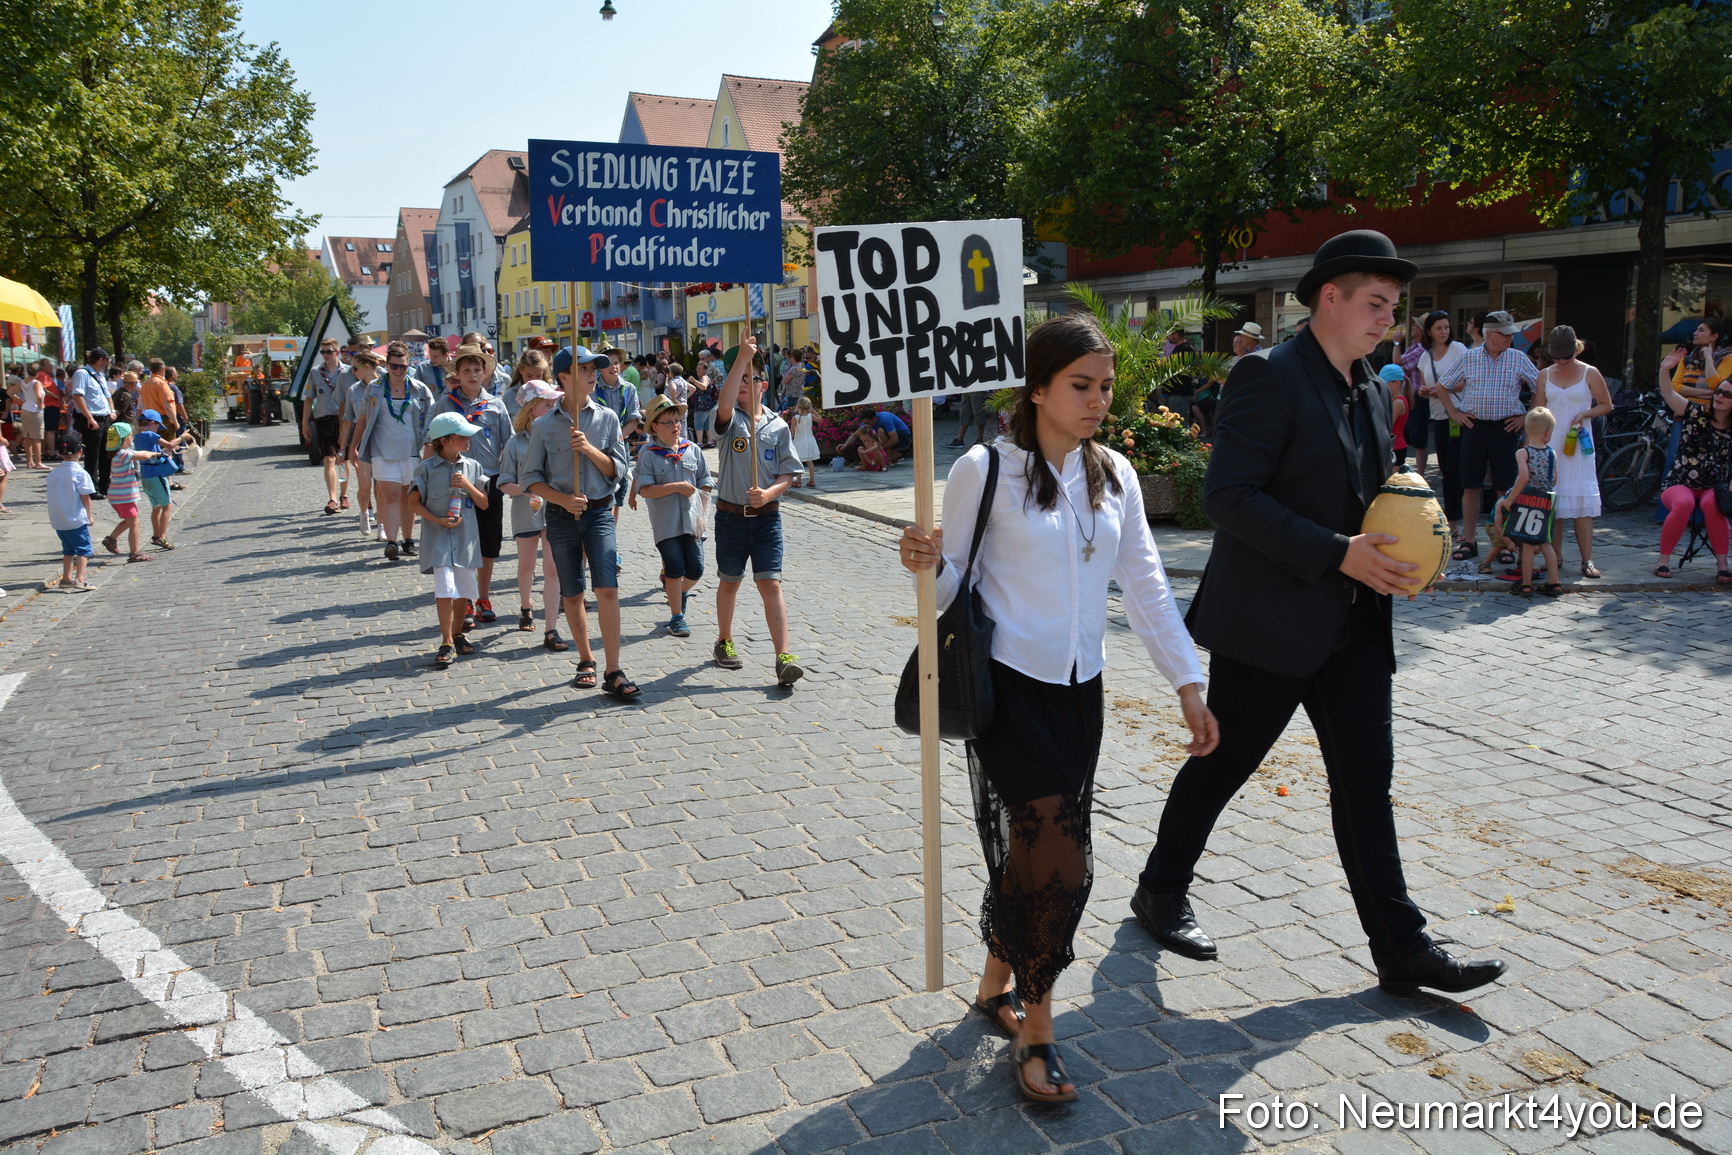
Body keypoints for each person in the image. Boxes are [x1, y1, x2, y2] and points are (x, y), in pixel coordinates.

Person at [1136, 229, 1508, 1000]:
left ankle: (1401, 946)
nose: (1389, 321)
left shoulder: (1373, 384)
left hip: (1357, 625)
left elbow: (1379, 490)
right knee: (1224, 764)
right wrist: (1340, 551)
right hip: (1271, 623)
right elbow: (1228, 498)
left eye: (1394, 309)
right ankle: (1159, 891)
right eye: (1376, 304)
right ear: (1328, 297)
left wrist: (1416, 548)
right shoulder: (1265, 375)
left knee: (1366, 781)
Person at [898, 314, 1216, 1104]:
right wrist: (923, 564)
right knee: (1061, 864)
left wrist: (1187, 683)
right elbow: (948, 592)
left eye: (1106, 386)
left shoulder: (1115, 474)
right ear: (1037, 388)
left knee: (1033, 856)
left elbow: (1144, 584)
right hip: (1008, 689)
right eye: (1081, 385)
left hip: (1083, 695)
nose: (1098, 400)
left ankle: (992, 986)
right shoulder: (985, 468)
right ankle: (1037, 1029)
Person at [521, 345, 638, 699]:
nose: (593, 374)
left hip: (600, 512)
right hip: (561, 516)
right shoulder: (543, 426)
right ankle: (586, 659)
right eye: (585, 369)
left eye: (594, 369)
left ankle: (613, 669)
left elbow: (618, 470)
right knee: (572, 593)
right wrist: (561, 499)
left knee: (607, 588)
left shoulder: (608, 418)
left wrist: (588, 449)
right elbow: (531, 478)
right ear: (564, 377)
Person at [710, 333, 806, 687]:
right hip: (731, 517)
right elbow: (724, 400)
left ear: (765, 384)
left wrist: (769, 493)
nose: (745, 384)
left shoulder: (778, 426)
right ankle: (725, 640)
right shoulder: (728, 419)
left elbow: (788, 472)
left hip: (766, 518)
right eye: (740, 379)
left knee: (771, 584)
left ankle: (783, 657)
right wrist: (740, 360)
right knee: (730, 583)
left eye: (753, 378)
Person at [1436, 309, 1537, 563]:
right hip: (1474, 427)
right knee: (1471, 486)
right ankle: (1469, 540)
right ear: (1490, 334)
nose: (1510, 339)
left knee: (1505, 487)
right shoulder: (1469, 358)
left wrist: (1526, 416)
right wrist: (1454, 413)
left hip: (1505, 429)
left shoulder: (1518, 358)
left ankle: (1505, 542)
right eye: (1505, 335)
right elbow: (1442, 385)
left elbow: (1540, 386)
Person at [432, 343, 514, 626]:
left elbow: (509, 444)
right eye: (466, 370)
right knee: (462, 542)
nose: (472, 375)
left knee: (489, 544)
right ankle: (464, 600)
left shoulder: (495, 404)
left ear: (485, 373)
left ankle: (483, 596)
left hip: (489, 480)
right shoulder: (444, 404)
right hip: (454, 480)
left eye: (477, 369)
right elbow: (431, 445)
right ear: (457, 372)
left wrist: (508, 477)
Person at [408, 412, 491, 667]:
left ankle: (457, 634)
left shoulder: (473, 466)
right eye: (462, 436)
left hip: (466, 539)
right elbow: (412, 503)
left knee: (463, 592)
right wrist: (438, 521)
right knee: (445, 588)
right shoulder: (425, 469)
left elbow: (484, 503)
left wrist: (467, 485)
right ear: (444, 441)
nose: (468, 440)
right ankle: (445, 640)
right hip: (439, 539)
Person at [1532, 326, 1612, 578]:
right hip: (1551, 441)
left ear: (1574, 351)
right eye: (1556, 356)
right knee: (1554, 503)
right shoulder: (1544, 374)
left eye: (1565, 356)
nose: (1560, 361)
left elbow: (1606, 405)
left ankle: (1587, 560)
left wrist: (1586, 413)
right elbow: (1537, 412)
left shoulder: (1590, 372)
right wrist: (1530, 445)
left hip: (1577, 443)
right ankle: (1554, 557)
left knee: (1580, 504)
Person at [634, 395, 712, 638]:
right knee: (675, 569)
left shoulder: (693, 450)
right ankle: (677, 617)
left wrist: (703, 515)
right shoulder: (649, 455)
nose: (675, 425)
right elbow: (645, 490)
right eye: (668, 422)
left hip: (692, 523)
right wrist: (676, 486)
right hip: (666, 524)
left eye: (677, 420)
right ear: (655, 427)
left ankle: (678, 592)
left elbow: (705, 484)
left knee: (696, 570)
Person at [1653, 347, 1732, 583]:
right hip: (1679, 482)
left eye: (1727, 394)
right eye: (1718, 391)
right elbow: (1668, 394)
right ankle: (1663, 561)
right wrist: (1664, 370)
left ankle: (1722, 564)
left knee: (1714, 505)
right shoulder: (1694, 413)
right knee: (1684, 503)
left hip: (1712, 486)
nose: (1719, 396)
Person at [351, 342, 435, 561]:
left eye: (403, 367)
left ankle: (408, 540)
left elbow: (431, 420)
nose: (398, 371)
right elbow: (362, 418)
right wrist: (353, 446)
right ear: (386, 365)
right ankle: (391, 542)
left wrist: (431, 448)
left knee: (408, 498)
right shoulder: (375, 388)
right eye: (394, 366)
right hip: (382, 450)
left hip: (411, 451)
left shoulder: (419, 389)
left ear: (409, 366)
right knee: (390, 496)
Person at [499, 382, 567, 650]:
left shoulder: (558, 436)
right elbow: (504, 482)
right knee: (527, 567)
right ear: (529, 409)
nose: (552, 408)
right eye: (546, 404)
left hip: (554, 511)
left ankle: (551, 628)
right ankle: (526, 606)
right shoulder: (515, 443)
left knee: (552, 568)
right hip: (525, 512)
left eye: (553, 404)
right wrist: (527, 490)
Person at [1402, 310, 1466, 536]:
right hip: (1438, 417)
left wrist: (1442, 390)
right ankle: (1453, 519)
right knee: (1445, 469)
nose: (1444, 332)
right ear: (1429, 331)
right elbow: (1422, 385)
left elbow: (1467, 382)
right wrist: (1424, 391)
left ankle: (1456, 519)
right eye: (1439, 328)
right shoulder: (1424, 356)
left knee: (1454, 468)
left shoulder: (1458, 349)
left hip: (1458, 415)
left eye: (1446, 327)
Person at [1494, 408, 1564, 597]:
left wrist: (1510, 499)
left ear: (1526, 430)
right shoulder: (1552, 454)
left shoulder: (1522, 453)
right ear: (1548, 432)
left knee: (1527, 545)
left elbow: (1523, 477)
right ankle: (1554, 582)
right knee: (1546, 543)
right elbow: (1555, 480)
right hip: (1547, 502)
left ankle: (1526, 584)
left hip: (1526, 502)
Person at [303, 338, 353, 513]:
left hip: (345, 420)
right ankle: (332, 499)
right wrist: (304, 423)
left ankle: (344, 495)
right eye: (322, 352)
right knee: (329, 458)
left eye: (329, 351)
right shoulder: (316, 372)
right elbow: (309, 398)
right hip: (324, 419)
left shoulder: (348, 372)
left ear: (337, 352)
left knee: (344, 459)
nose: (325, 355)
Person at [339, 349, 383, 537]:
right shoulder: (353, 390)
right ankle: (364, 513)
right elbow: (349, 419)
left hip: (382, 440)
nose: (352, 372)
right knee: (364, 485)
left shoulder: (386, 383)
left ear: (366, 367)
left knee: (380, 486)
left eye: (354, 368)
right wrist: (344, 447)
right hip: (362, 441)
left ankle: (382, 522)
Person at [594, 354, 643, 522]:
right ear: (600, 367)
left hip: (620, 447)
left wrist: (617, 438)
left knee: (618, 497)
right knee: (600, 495)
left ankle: (610, 538)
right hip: (597, 448)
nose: (613, 367)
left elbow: (634, 420)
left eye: (616, 363)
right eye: (608, 364)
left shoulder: (629, 388)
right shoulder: (592, 388)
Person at [46, 430, 97, 591]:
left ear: (60, 454)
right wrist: (89, 516)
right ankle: (80, 579)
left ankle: (66, 578)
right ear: (80, 452)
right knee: (84, 549)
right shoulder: (80, 473)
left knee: (68, 550)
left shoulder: (53, 474)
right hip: (75, 518)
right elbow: (85, 497)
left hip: (58, 520)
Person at [99, 421, 156, 563]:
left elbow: (139, 453)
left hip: (120, 496)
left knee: (129, 520)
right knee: (135, 523)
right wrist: (155, 453)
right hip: (122, 497)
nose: (132, 438)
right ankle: (135, 553)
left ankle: (111, 539)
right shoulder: (123, 454)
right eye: (131, 436)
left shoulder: (120, 453)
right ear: (125, 439)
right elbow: (143, 455)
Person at [132, 409, 185, 550]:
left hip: (146, 475)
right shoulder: (150, 434)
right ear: (151, 423)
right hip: (156, 474)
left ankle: (156, 536)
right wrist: (183, 436)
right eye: (157, 426)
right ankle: (161, 536)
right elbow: (170, 445)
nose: (158, 430)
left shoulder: (137, 437)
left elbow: (156, 452)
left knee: (156, 507)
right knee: (167, 505)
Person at [67, 348, 114, 495]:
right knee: (92, 456)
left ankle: (105, 485)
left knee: (106, 454)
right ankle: (92, 488)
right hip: (92, 419)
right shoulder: (82, 374)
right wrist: (89, 418)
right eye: (107, 361)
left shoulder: (100, 375)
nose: (107, 364)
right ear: (100, 360)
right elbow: (78, 397)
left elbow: (107, 395)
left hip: (105, 418)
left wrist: (112, 411)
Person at [1379, 362, 1410, 466]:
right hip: (1393, 447)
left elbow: (1387, 425)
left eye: (1385, 384)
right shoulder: (1394, 400)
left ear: (1396, 383)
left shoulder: (1398, 402)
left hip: (1396, 448)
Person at [16, 361, 45, 470]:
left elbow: (10, 392)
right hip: (35, 411)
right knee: (36, 437)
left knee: (27, 437)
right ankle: (38, 462)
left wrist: (19, 400)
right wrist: (41, 404)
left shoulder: (23, 382)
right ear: (38, 372)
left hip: (25, 409)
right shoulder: (36, 382)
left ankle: (29, 462)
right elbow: (38, 395)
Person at [789, 395, 821, 489]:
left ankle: (798, 481)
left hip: (799, 440)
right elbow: (820, 420)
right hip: (810, 440)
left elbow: (792, 432)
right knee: (809, 461)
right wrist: (813, 410)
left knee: (798, 461)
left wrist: (789, 442)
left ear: (798, 406)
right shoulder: (811, 416)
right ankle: (812, 480)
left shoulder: (795, 418)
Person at [687, 365, 718, 448]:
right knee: (707, 424)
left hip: (702, 404)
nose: (698, 371)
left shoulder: (704, 377)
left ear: (705, 370)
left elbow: (704, 387)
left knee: (698, 423)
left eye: (700, 369)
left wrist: (694, 381)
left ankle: (700, 442)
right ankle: (710, 441)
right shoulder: (705, 377)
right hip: (708, 404)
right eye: (697, 369)